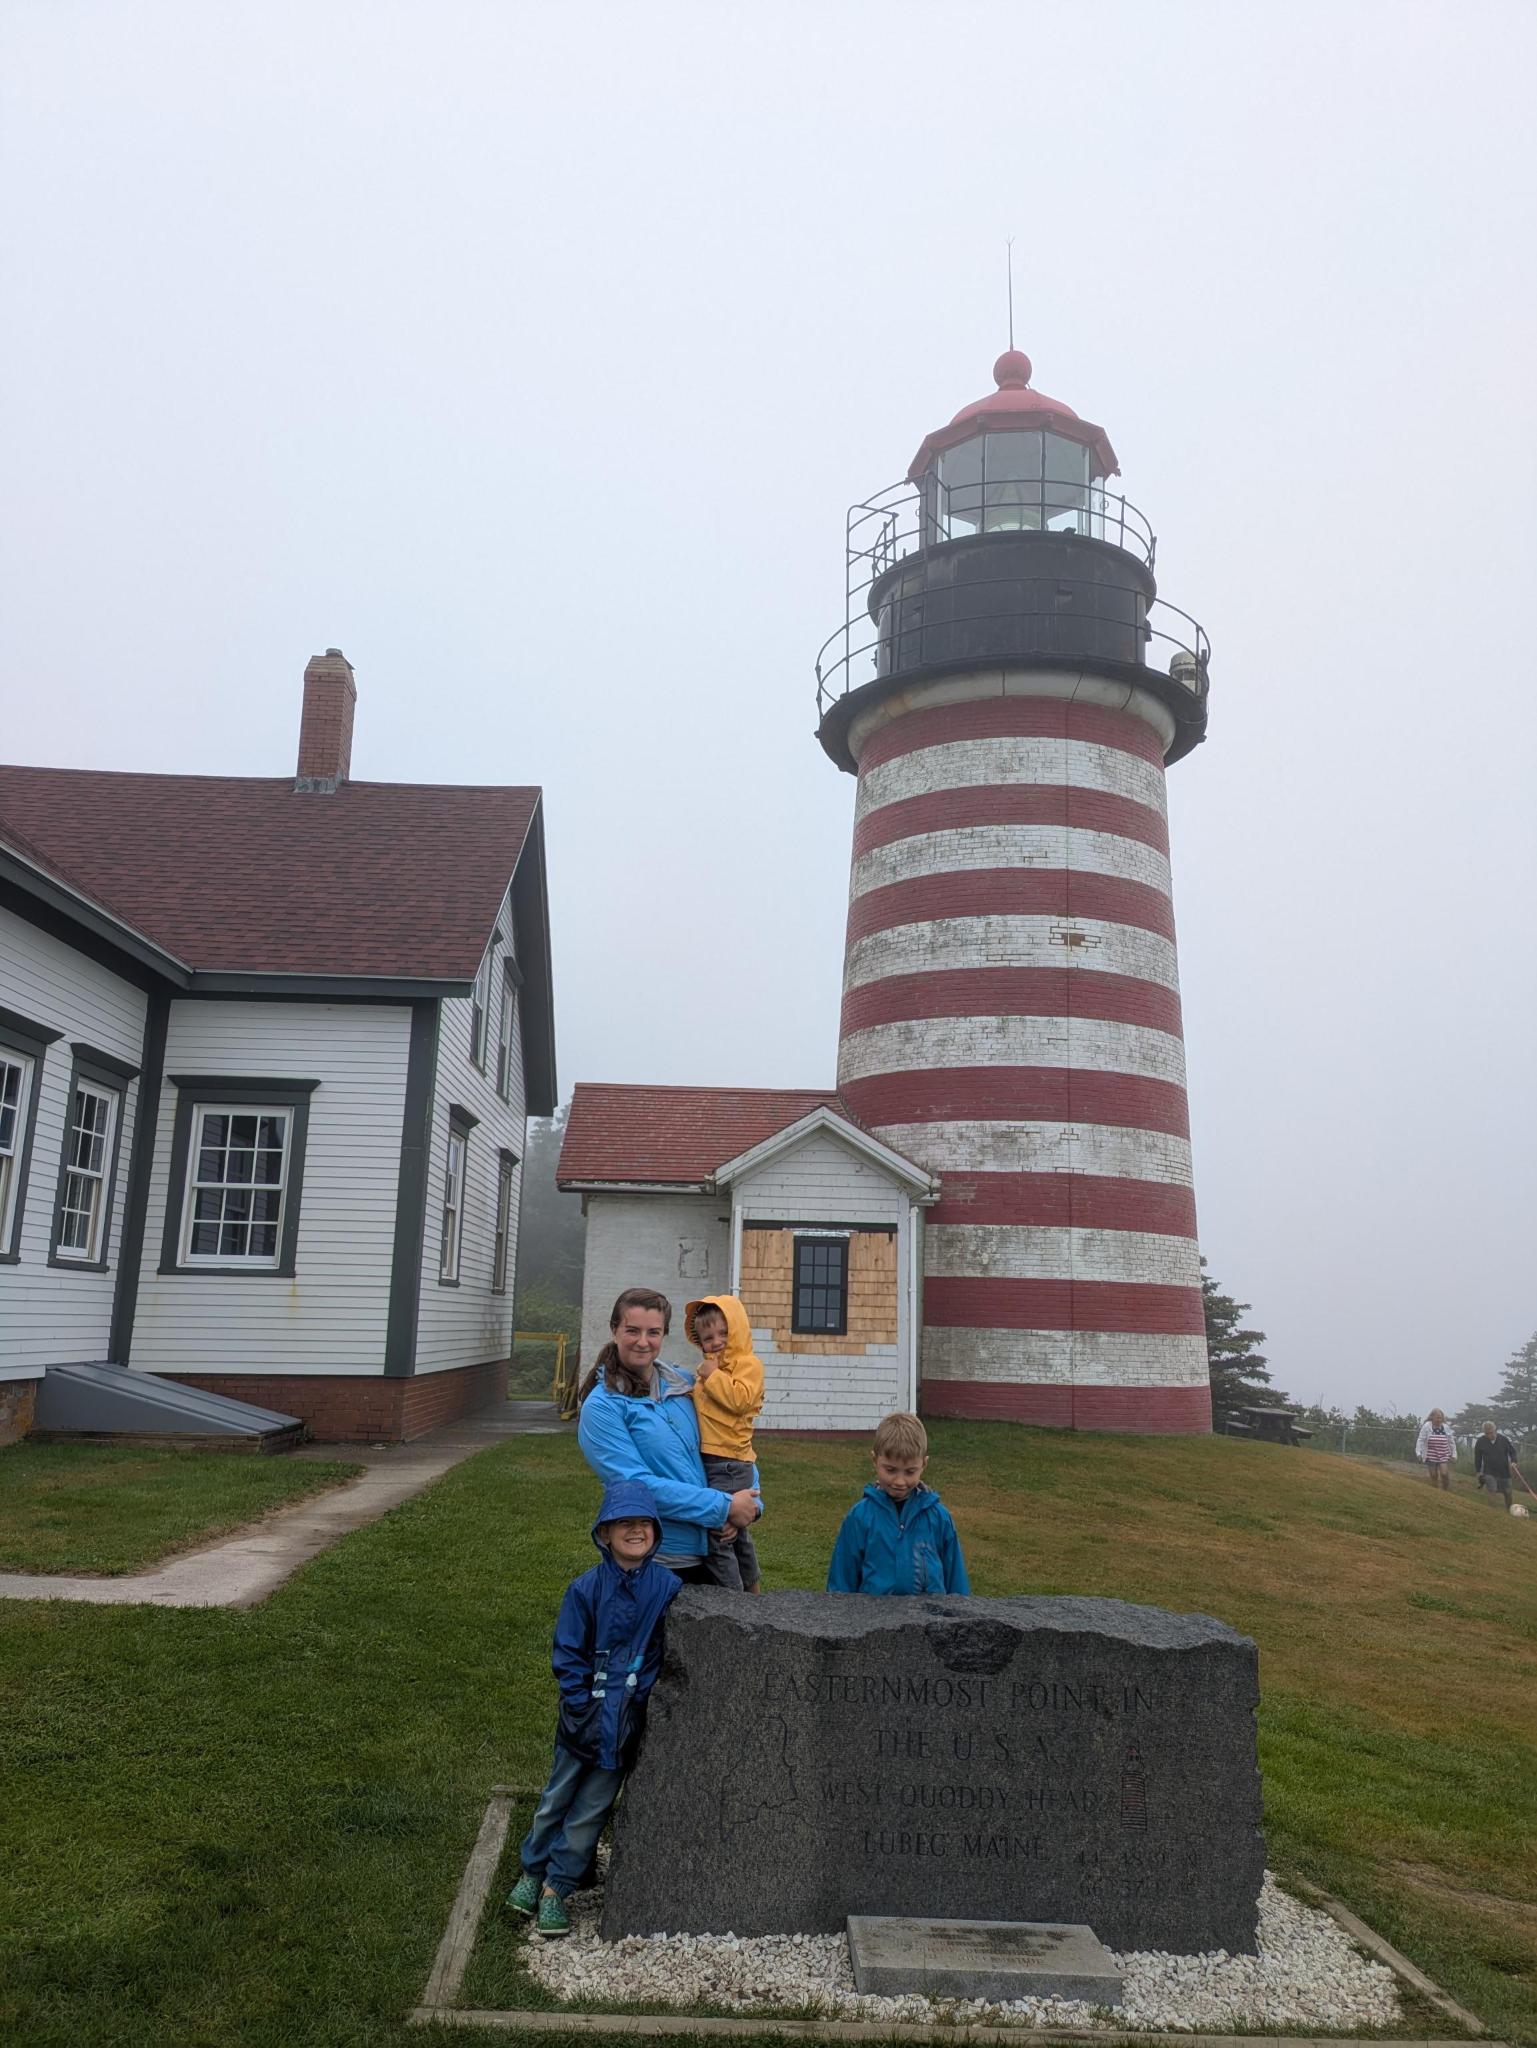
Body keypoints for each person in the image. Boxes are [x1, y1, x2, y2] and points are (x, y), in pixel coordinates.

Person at [506, 1480, 680, 1939]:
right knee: (555, 1801)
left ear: (656, 1532)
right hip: (581, 1722)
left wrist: (639, 1700)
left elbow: (666, 1651)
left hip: (623, 1728)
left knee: (590, 1812)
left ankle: (556, 1888)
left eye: (644, 1523)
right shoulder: (585, 1589)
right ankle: (531, 1870)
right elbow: (567, 1653)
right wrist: (580, 1704)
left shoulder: (667, 1588)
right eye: (625, 1523)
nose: (636, 1531)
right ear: (604, 1533)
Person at [577, 1286, 761, 1585]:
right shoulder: (602, 1407)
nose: (643, 1342)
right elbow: (636, 1485)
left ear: (663, 1335)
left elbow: (734, 1443)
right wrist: (724, 1507)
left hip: (718, 1550)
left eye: (653, 1332)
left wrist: (751, 1505)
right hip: (661, 1559)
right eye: (632, 1330)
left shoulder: (689, 1384)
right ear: (614, 1330)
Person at [826, 1410, 969, 1595]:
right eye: (891, 1470)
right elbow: (841, 1583)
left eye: (910, 1472)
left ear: (924, 1465)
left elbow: (956, 1582)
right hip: (873, 1620)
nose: (899, 1481)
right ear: (875, 1460)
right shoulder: (859, 1518)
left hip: (929, 1621)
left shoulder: (939, 1518)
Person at [685, 1294, 765, 1592]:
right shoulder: (713, 1371)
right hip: (721, 1461)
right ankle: (752, 1591)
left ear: (738, 1331)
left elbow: (741, 1400)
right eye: (708, 1337)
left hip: (729, 1463)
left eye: (723, 1333)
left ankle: (734, 1601)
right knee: (738, 1534)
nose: (716, 1341)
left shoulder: (748, 1365)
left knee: (718, 1534)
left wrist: (713, 1376)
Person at [1473, 1421, 1522, 1509]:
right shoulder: (1480, 1442)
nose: (1489, 1435)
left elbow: (1512, 1451)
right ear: (1484, 1432)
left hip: (1504, 1471)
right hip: (1489, 1471)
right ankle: (1492, 1511)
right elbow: (1478, 1458)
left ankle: (1509, 1510)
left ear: (1495, 1430)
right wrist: (1478, 1471)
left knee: (1508, 1493)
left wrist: (1514, 1461)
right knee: (1492, 1489)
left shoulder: (1503, 1439)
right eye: (1487, 1433)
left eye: (1491, 1432)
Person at [1415, 1409, 1457, 1489]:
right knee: (1434, 1475)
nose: (1439, 1420)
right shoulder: (1427, 1426)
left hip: (1443, 1454)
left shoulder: (1445, 1427)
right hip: (1431, 1455)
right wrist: (1418, 1453)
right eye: (1437, 1417)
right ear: (1432, 1417)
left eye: (1440, 1418)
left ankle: (1446, 1490)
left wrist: (1454, 1454)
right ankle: (1436, 1492)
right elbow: (1420, 1439)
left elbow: (1451, 1441)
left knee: (1444, 1473)